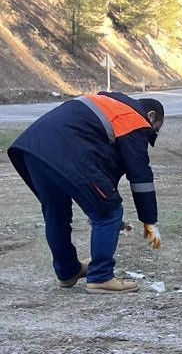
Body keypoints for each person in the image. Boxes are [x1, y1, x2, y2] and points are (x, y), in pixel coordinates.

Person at [7, 91, 165, 294]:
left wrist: (101, 203)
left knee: (57, 213)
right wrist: (149, 221)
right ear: (151, 116)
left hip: (32, 150)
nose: (151, 133)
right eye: (155, 129)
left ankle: (68, 271)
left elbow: (105, 170)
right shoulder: (133, 119)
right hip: (66, 153)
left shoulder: (108, 104)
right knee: (109, 212)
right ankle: (101, 277)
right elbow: (140, 175)